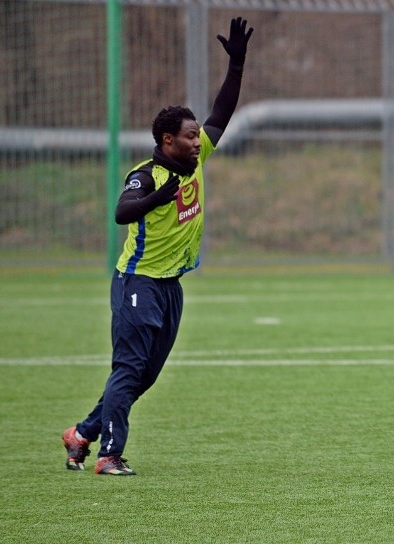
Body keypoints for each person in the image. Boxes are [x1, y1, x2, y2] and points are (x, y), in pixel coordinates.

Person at [62, 17, 254, 476]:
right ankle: (108, 454)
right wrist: (157, 198)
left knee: (143, 375)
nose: (198, 141)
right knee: (128, 368)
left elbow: (221, 113)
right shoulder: (146, 174)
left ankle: (82, 433)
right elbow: (123, 212)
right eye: (189, 137)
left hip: (170, 286)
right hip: (137, 281)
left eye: (196, 137)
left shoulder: (197, 157)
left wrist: (237, 65)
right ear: (167, 141)